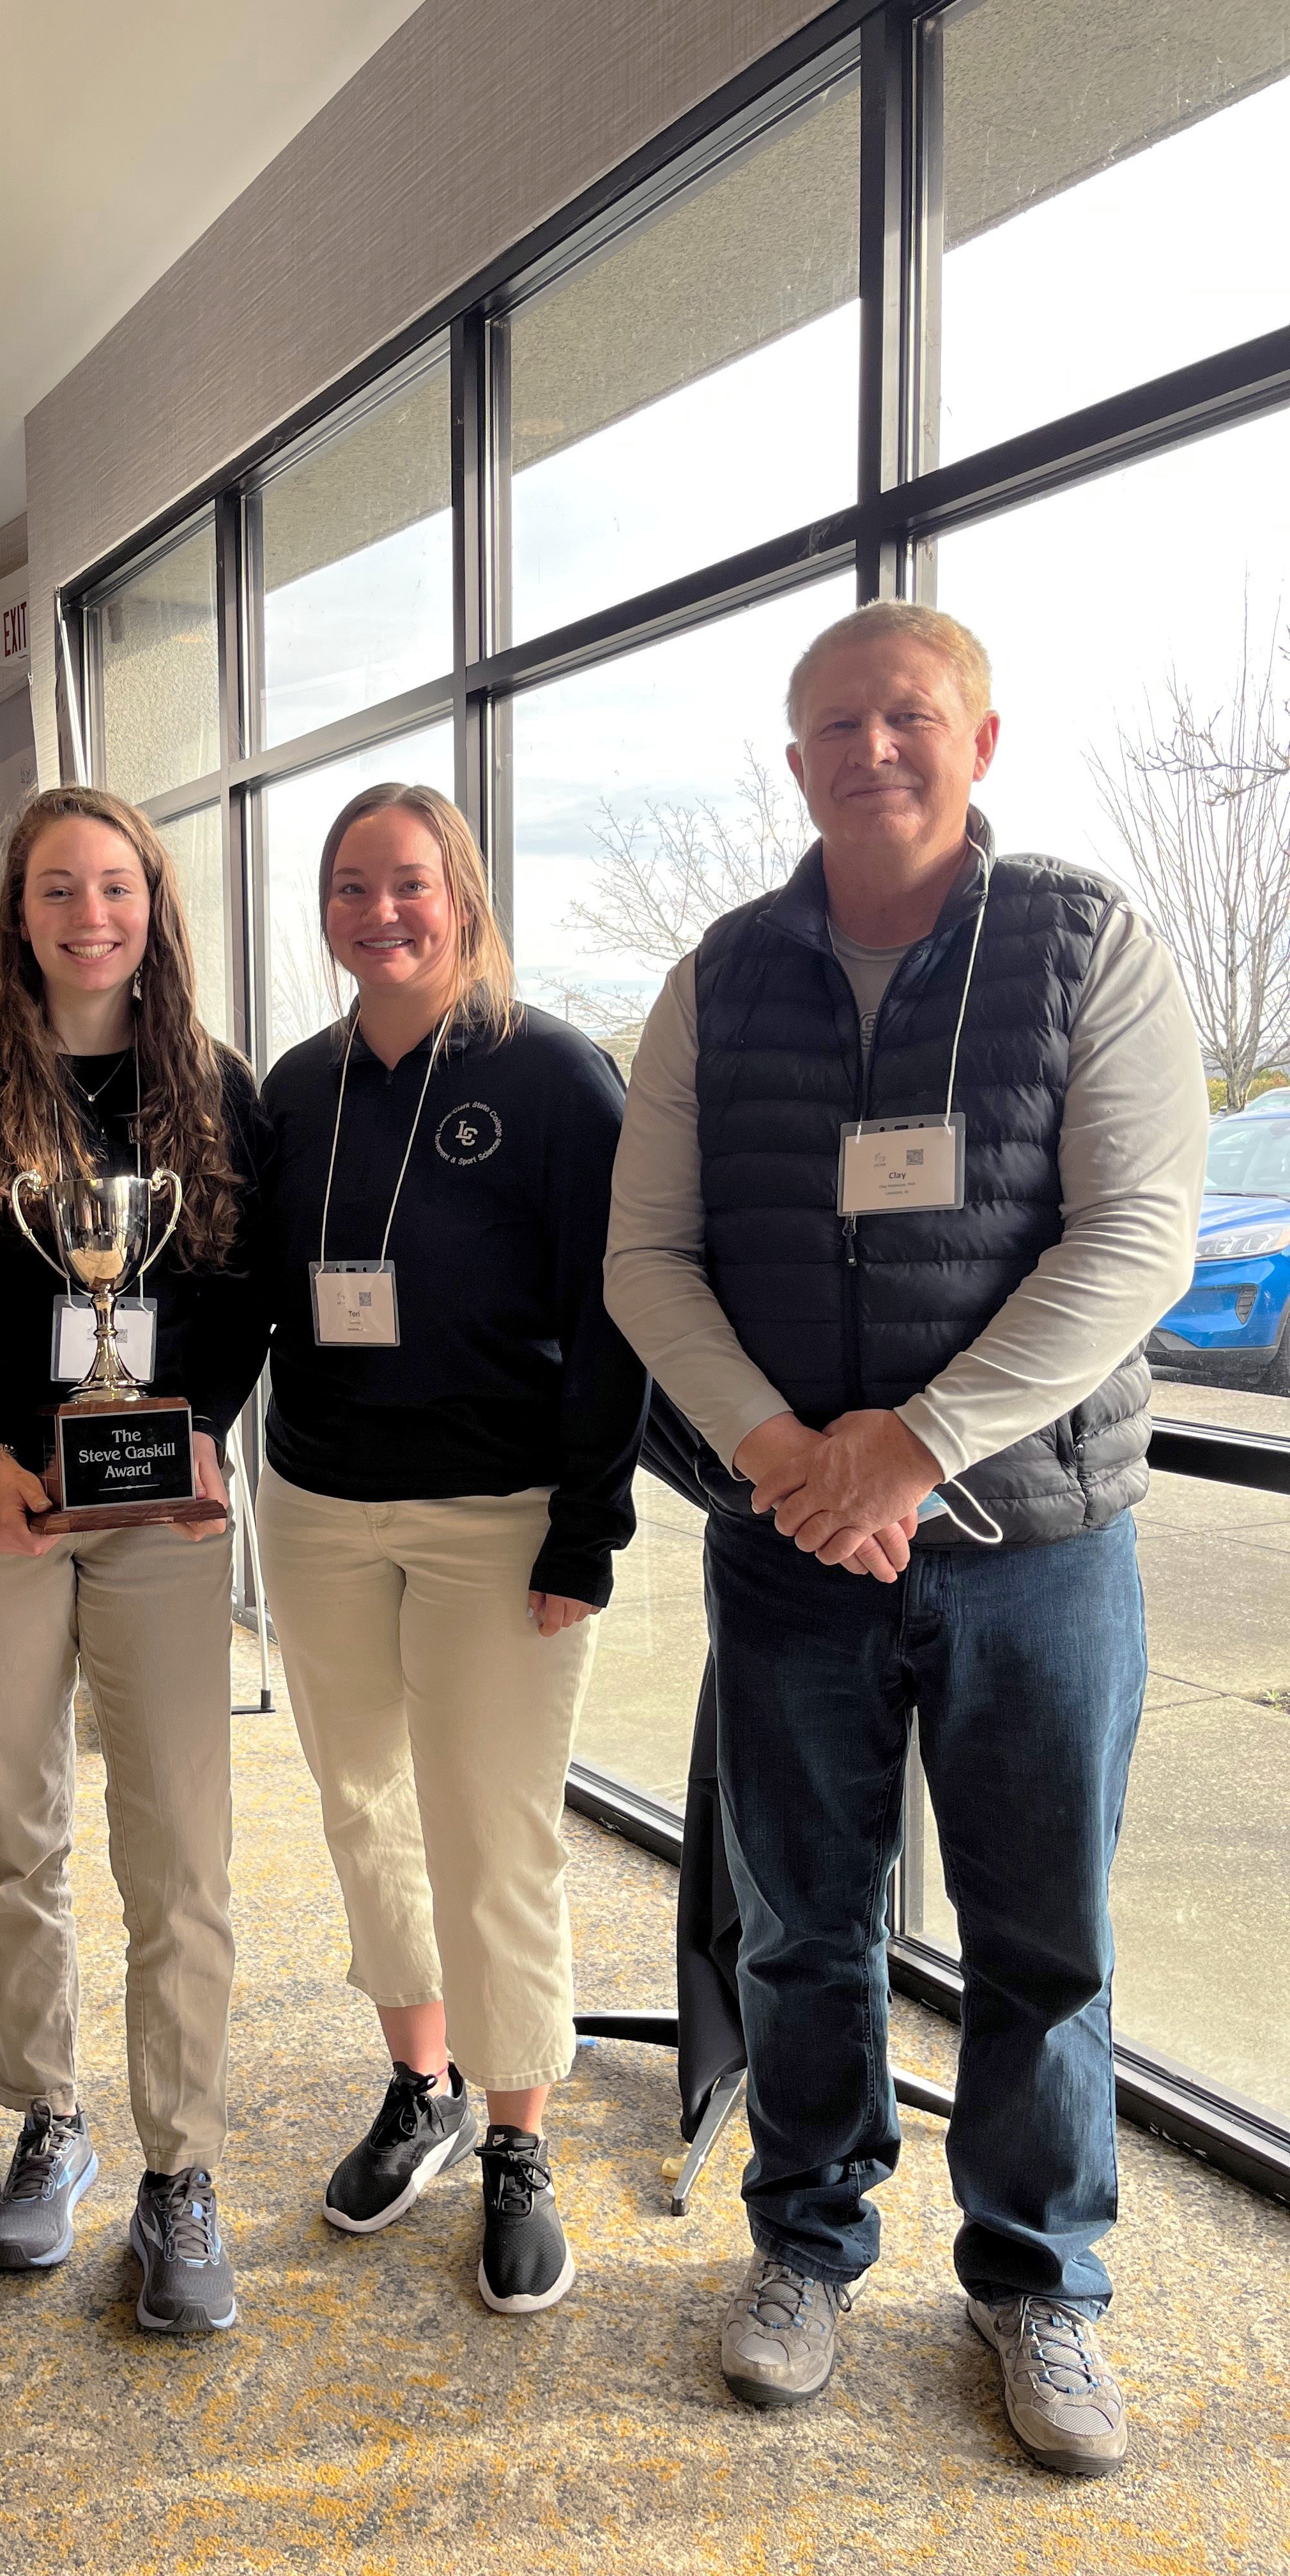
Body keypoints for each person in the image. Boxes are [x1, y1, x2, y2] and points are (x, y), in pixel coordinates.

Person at [604, 601, 1206, 2477]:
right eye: (836, 726)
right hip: (788, 1547)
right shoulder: (717, 977)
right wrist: (794, 1459)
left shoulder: (1085, 944)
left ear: (983, 740)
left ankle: (1040, 2277)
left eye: (910, 714)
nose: (874, 747)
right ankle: (806, 2242)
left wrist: (915, 1445)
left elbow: (1135, 1242)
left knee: (1045, 1935)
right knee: (801, 1929)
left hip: (1036, 1544)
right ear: (793, 766)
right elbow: (647, 1258)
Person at [0, 784, 267, 2336]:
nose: (90, 916)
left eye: (116, 888)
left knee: (182, 1842)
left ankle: (185, 2168)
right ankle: (50, 2117)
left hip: (160, 1508)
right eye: (56, 891)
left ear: (153, 905)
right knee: (12, 1818)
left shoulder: (213, 1090)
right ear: (15, 914)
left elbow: (241, 1299)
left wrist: (208, 1424)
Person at [253, 783, 646, 2317]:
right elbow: (255, 1298)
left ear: (462, 895)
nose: (380, 913)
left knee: (495, 1832)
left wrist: (590, 1529)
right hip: (324, 1506)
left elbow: (617, 1324)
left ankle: (516, 2133)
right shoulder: (298, 1089)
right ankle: (418, 2080)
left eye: (408, 883)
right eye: (351, 888)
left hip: (501, 1518)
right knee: (363, 1809)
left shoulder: (555, 1078)